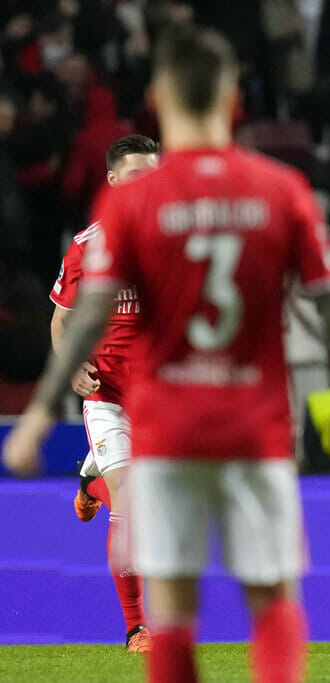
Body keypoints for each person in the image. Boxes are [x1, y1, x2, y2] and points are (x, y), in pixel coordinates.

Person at [2, 26, 330, 683]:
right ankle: (134, 618)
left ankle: (148, 619)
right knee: (273, 598)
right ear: (232, 99)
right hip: (250, 421)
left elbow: (81, 320)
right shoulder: (282, 189)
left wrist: (35, 416)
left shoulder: (136, 204)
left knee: (175, 607)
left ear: (162, 99)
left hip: (165, 420)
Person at [51, 134, 159, 653]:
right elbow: (62, 320)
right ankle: (137, 628)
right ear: (114, 181)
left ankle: (90, 482)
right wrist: (72, 368)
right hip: (109, 396)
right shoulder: (87, 245)